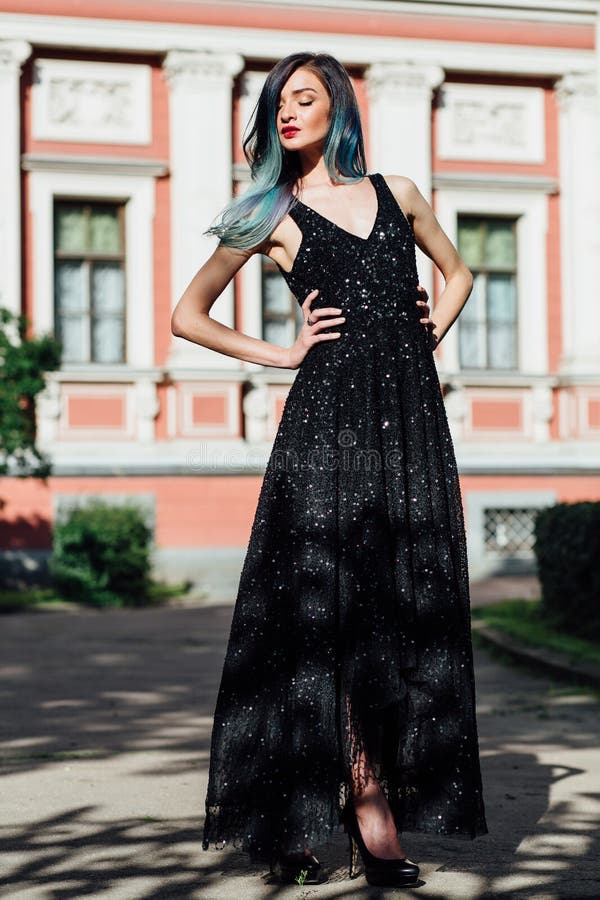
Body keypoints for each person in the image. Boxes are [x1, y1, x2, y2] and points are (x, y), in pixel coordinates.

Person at [171, 51, 488, 888]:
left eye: (303, 98)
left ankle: (361, 790)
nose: (286, 111)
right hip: (324, 430)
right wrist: (280, 353)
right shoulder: (270, 213)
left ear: (338, 107)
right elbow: (186, 315)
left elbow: (457, 274)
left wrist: (432, 329)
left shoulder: (400, 194)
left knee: (397, 605)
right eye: (277, 102)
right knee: (328, 612)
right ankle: (364, 799)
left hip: (411, 430)